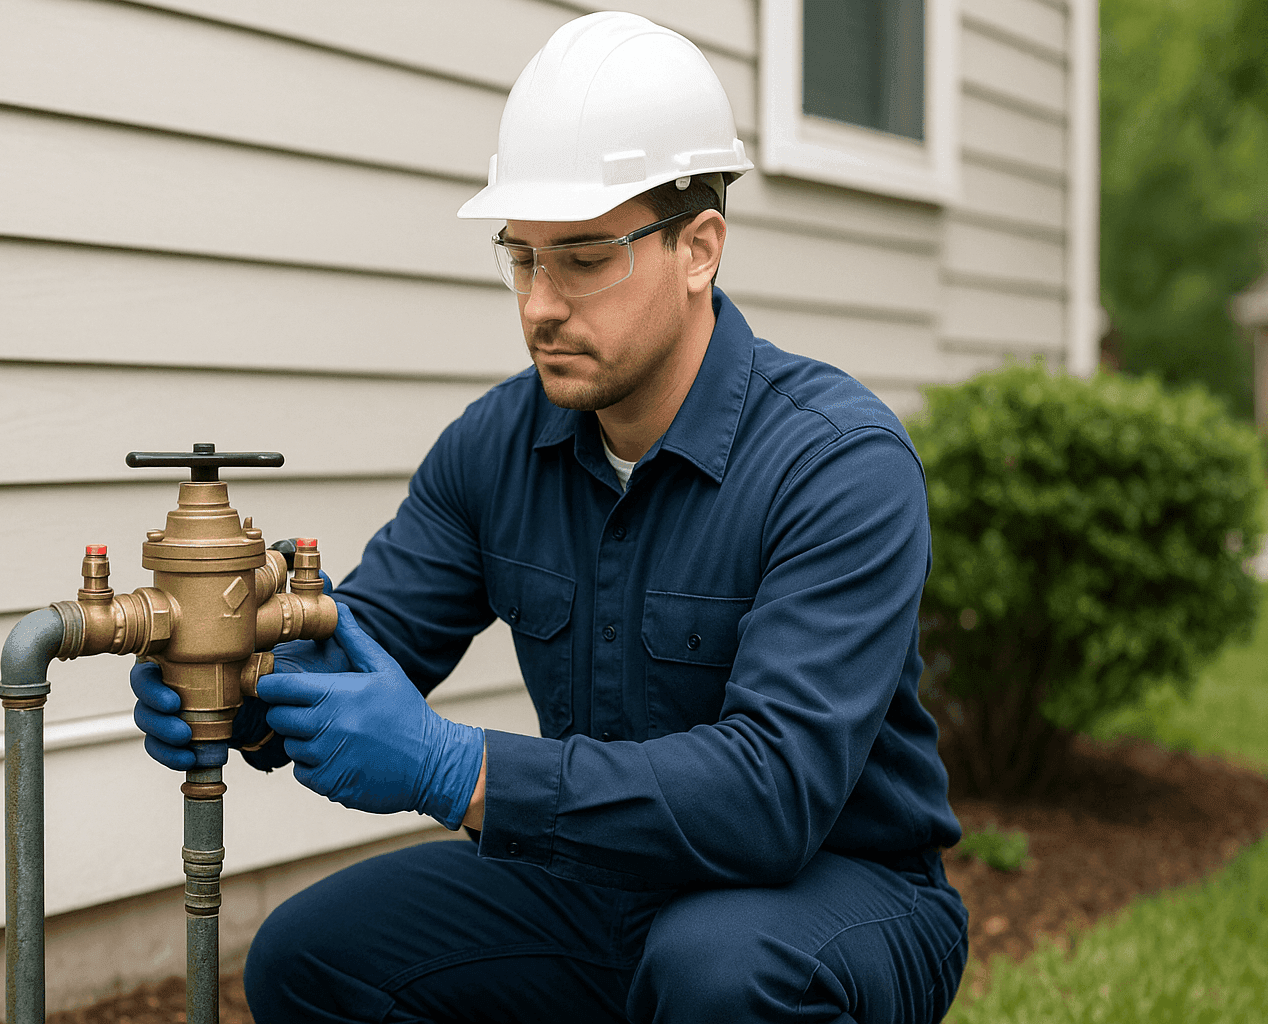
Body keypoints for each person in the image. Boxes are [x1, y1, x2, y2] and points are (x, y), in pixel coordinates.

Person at [132, 11, 967, 1022]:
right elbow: (366, 642)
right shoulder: (499, 446)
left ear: (700, 249)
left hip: (840, 891)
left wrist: (461, 769)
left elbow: (772, 794)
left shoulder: (837, 464)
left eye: (583, 258)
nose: (538, 305)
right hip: (598, 877)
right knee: (311, 959)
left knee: (718, 969)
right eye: (522, 258)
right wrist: (234, 679)